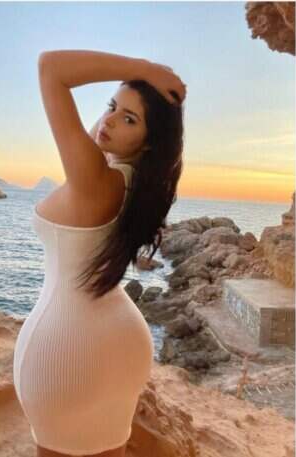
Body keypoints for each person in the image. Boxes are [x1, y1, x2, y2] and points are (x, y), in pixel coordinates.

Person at [13, 49, 186, 457]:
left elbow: (51, 66)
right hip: (122, 342)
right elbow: (100, 133)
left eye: (130, 119)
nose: (108, 120)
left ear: (149, 142)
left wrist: (143, 69)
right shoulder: (135, 183)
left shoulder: (96, 180)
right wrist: (140, 87)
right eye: (111, 107)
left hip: (69, 351)